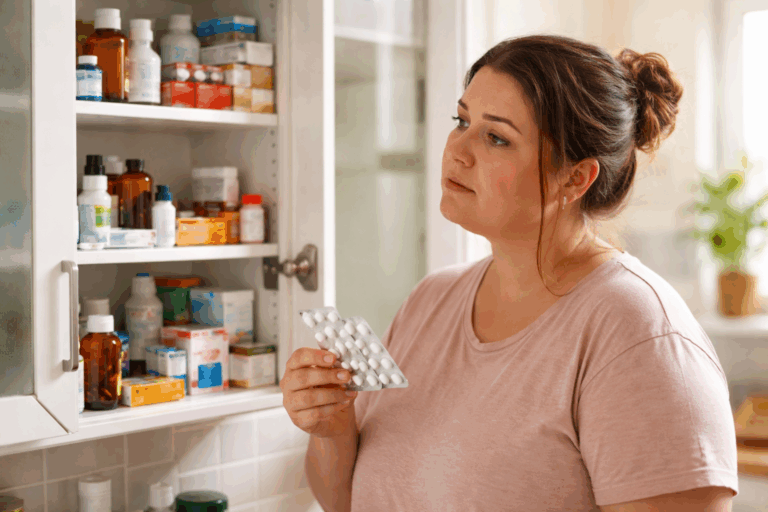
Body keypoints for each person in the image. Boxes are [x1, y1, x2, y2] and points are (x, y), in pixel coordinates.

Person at [280, 34, 739, 512]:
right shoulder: (430, 301)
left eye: (496, 137)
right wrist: (332, 427)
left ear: (575, 178)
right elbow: (347, 500)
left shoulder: (640, 335)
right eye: (462, 121)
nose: (457, 149)